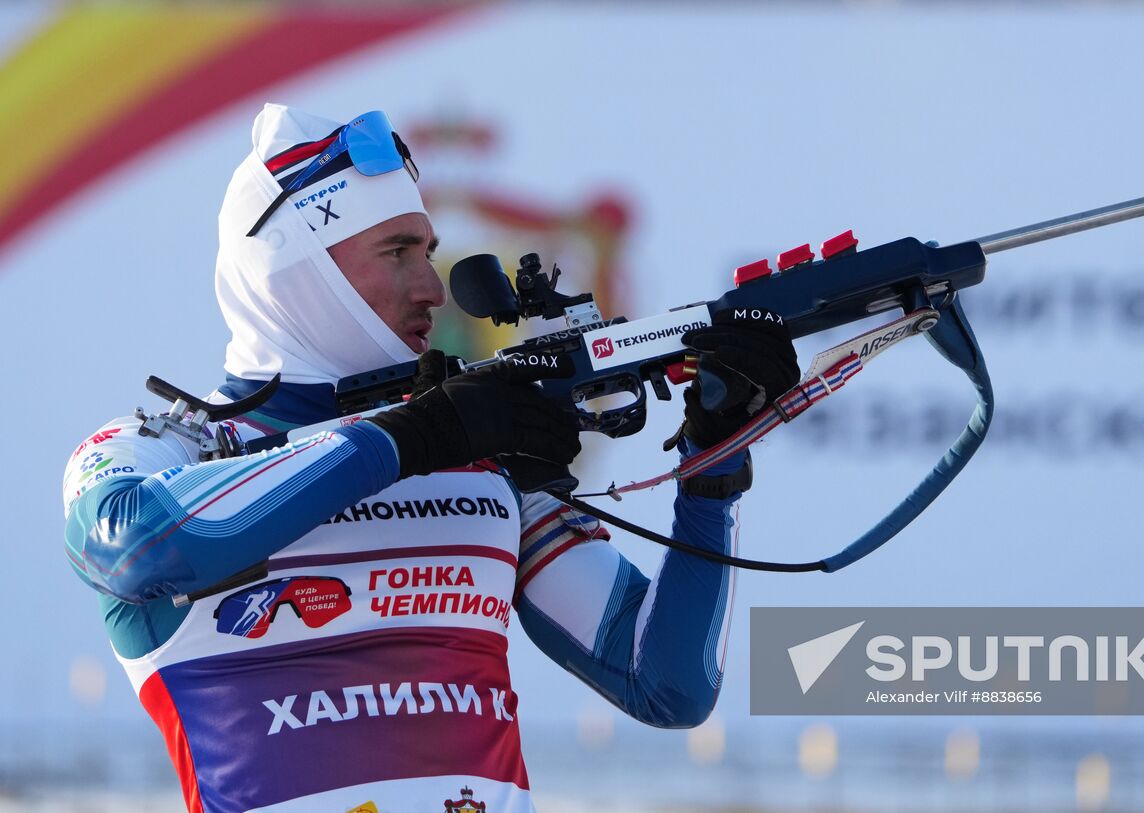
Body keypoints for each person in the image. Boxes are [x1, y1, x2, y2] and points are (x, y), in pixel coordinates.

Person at [61, 104, 798, 813]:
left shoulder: (479, 463)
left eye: (429, 251)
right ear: (297, 272)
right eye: (397, 252)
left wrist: (714, 466)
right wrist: (417, 436)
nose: (432, 287)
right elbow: (137, 543)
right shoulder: (167, 448)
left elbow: (667, 681)